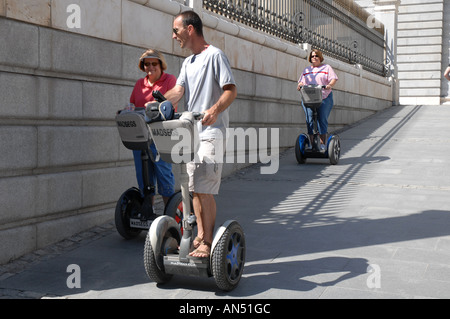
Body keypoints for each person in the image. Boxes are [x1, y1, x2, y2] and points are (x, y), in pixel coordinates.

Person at [164, 11, 237, 259]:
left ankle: (207, 241)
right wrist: (159, 104)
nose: (174, 36)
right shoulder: (188, 63)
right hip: (191, 131)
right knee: (194, 187)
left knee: (204, 185)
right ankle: (198, 237)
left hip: (212, 130)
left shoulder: (215, 55)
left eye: (176, 31)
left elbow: (231, 90)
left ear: (190, 29)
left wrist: (215, 110)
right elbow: (178, 90)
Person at [129, 49, 177, 207]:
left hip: (162, 135)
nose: (150, 67)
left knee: (163, 174)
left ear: (161, 65)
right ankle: (147, 212)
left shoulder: (169, 80)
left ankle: (169, 216)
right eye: (146, 64)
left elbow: (171, 105)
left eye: (154, 63)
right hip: (141, 136)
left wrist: (155, 106)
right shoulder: (139, 84)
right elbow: (132, 106)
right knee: (144, 176)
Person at [297, 49, 338, 150]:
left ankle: (323, 144)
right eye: (312, 56)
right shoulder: (307, 70)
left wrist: (329, 85)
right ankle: (312, 145)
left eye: (316, 56)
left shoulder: (326, 67)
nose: (314, 58)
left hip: (324, 97)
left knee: (321, 119)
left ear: (320, 57)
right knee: (310, 120)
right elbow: (301, 81)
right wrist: (300, 85)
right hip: (309, 98)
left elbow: (333, 79)